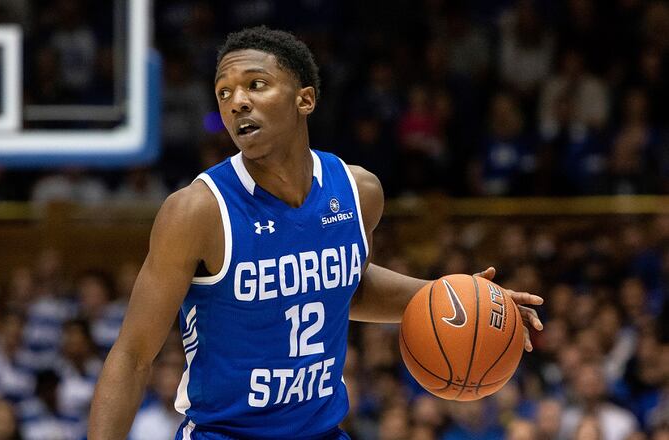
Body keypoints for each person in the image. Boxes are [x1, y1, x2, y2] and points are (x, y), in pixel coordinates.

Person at [89, 26, 543, 439]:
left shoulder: (359, 192)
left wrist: (457, 303)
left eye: (255, 85)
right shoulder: (197, 211)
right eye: (223, 92)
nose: (236, 102)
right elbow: (132, 355)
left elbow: (347, 286)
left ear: (304, 99)